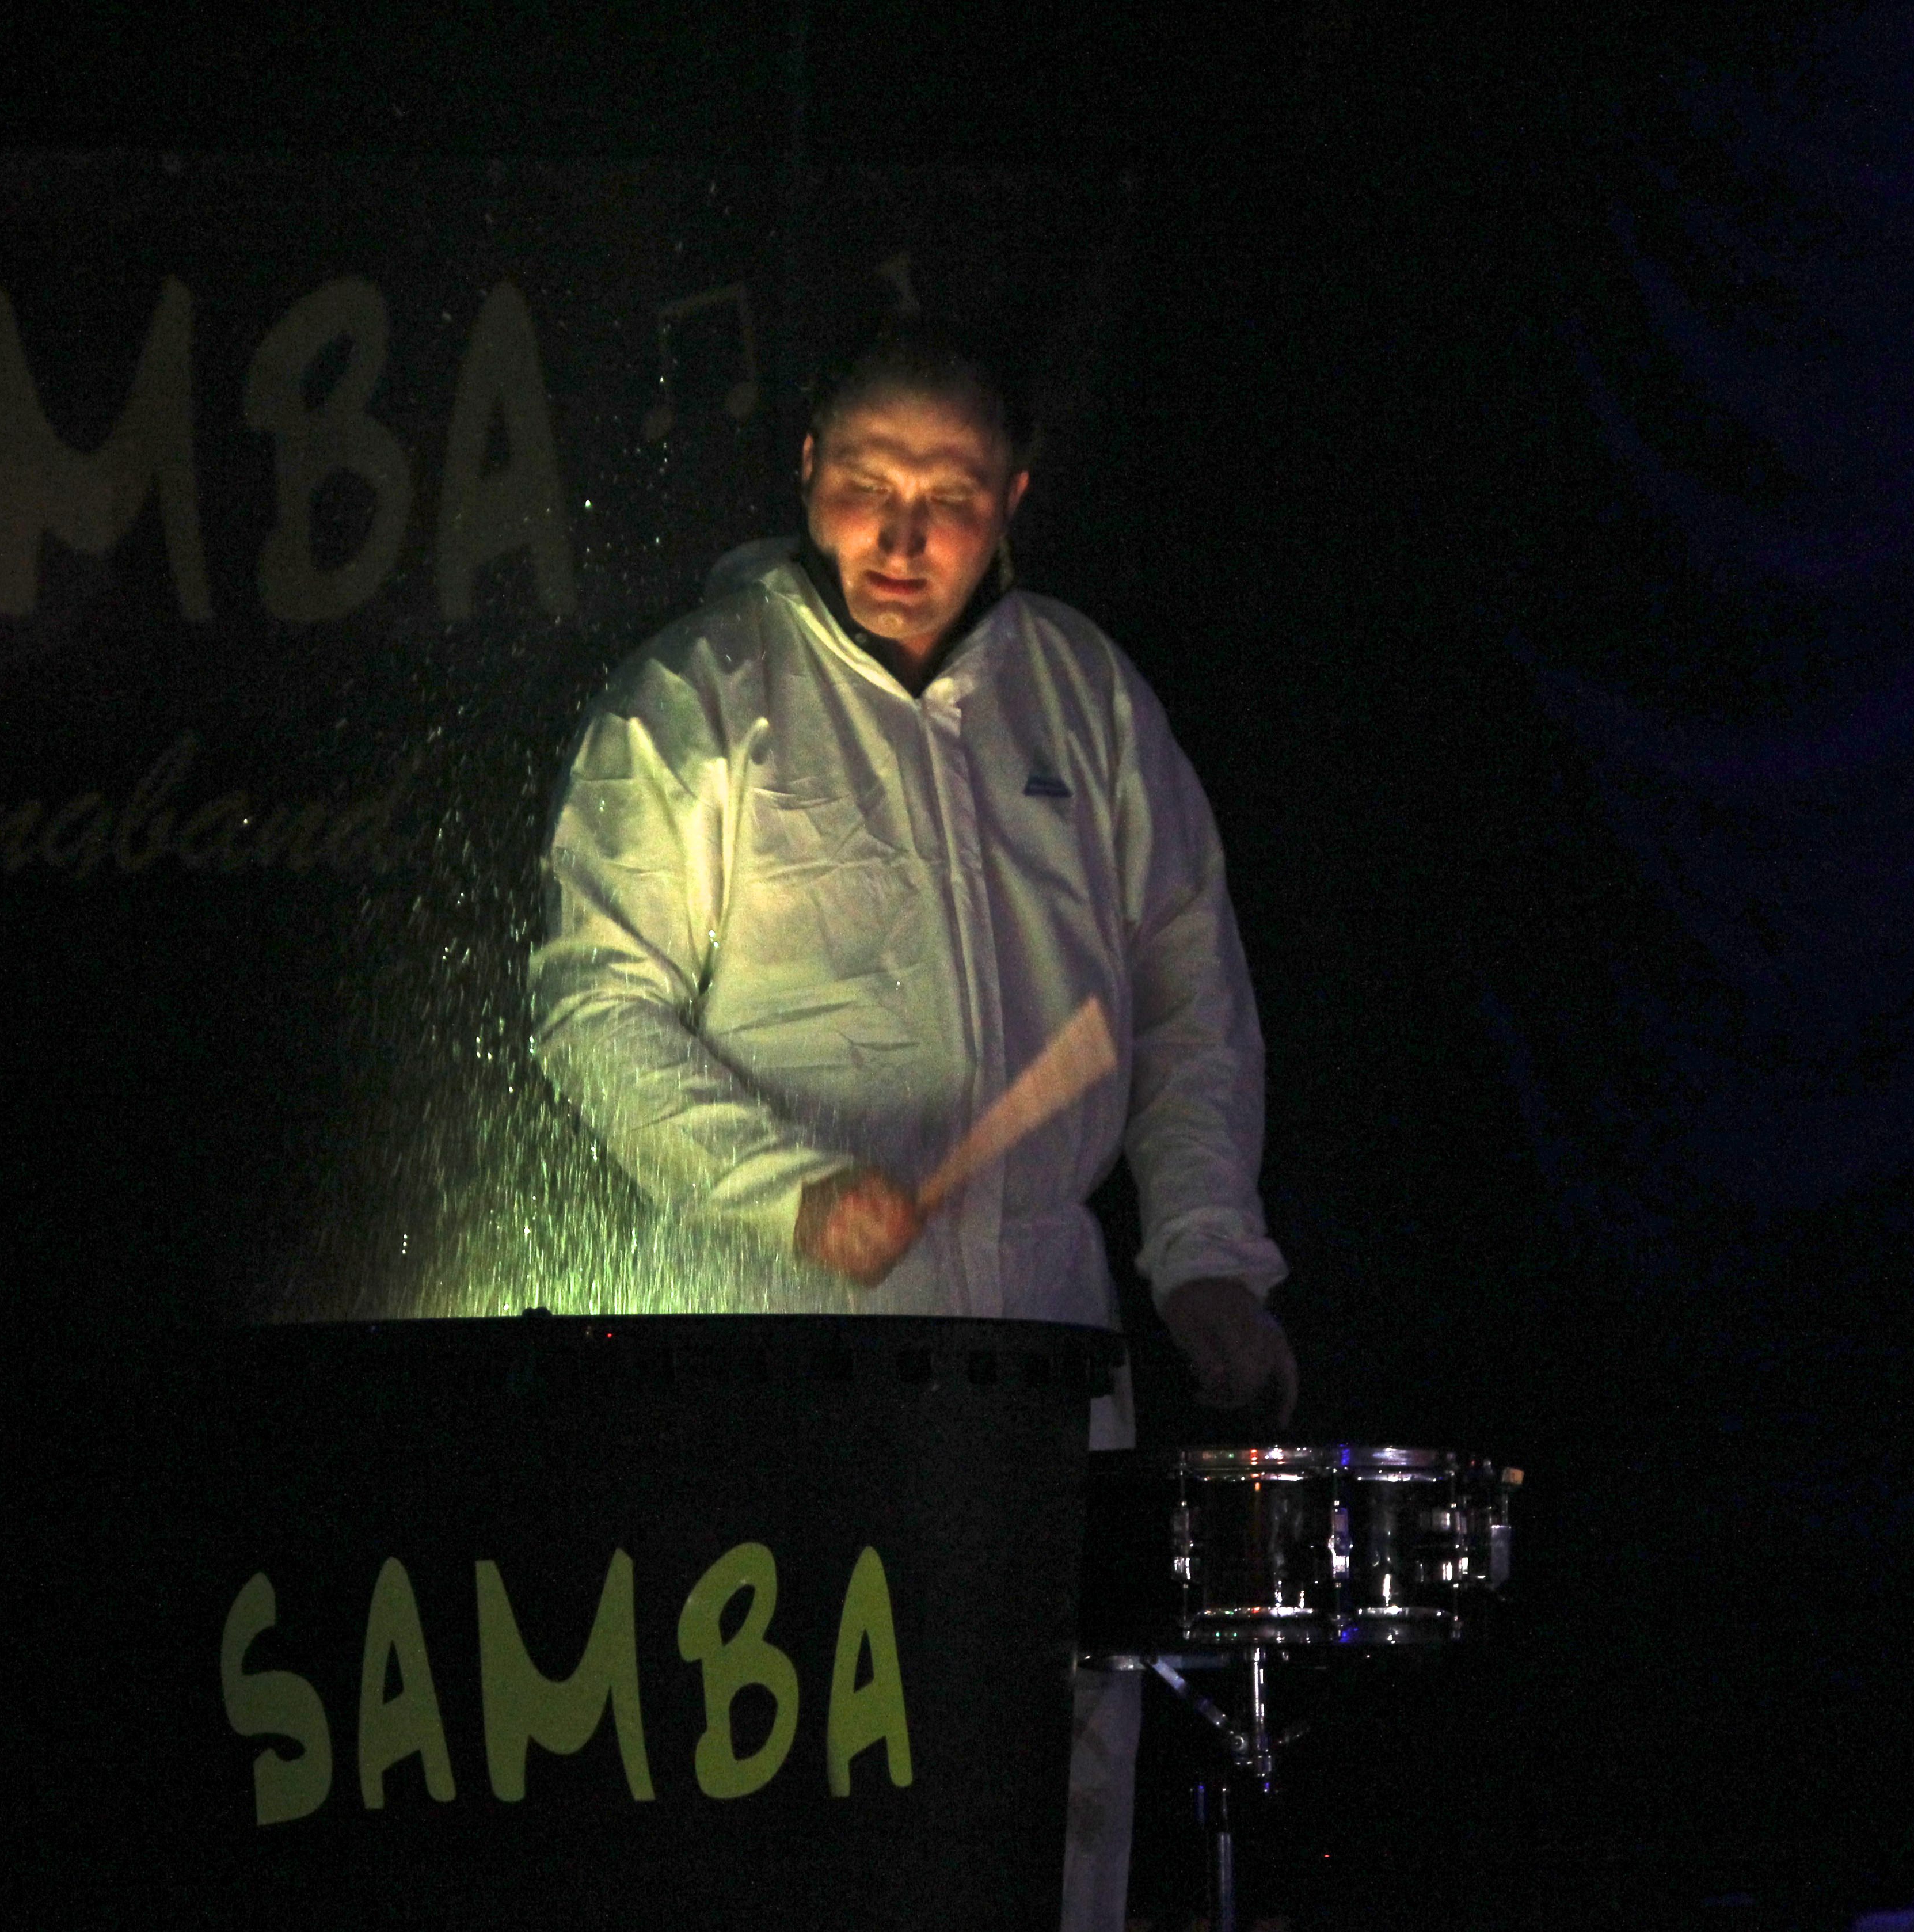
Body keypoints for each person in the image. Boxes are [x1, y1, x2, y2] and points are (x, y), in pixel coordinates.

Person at [528, 318, 1293, 1932]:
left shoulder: (1083, 696)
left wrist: (1205, 1249)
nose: (901, 534)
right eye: (868, 484)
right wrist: (791, 1190)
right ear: (807, 473)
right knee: (812, 1775)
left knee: (1055, 1769)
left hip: (1047, 1343)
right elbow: (595, 1011)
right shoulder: (696, 698)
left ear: (1012, 496)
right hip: (787, 1345)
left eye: (946, 494)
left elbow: (1188, 997)